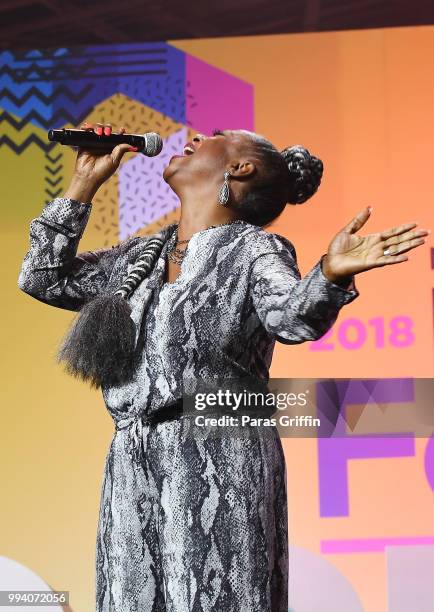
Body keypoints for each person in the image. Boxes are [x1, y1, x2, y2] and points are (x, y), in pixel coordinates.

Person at [17, 121, 429, 612]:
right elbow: (42, 278)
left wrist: (329, 274)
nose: (194, 137)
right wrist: (84, 183)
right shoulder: (141, 255)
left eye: (215, 135)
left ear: (240, 167)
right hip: (132, 454)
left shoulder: (254, 248)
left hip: (219, 450)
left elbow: (291, 318)